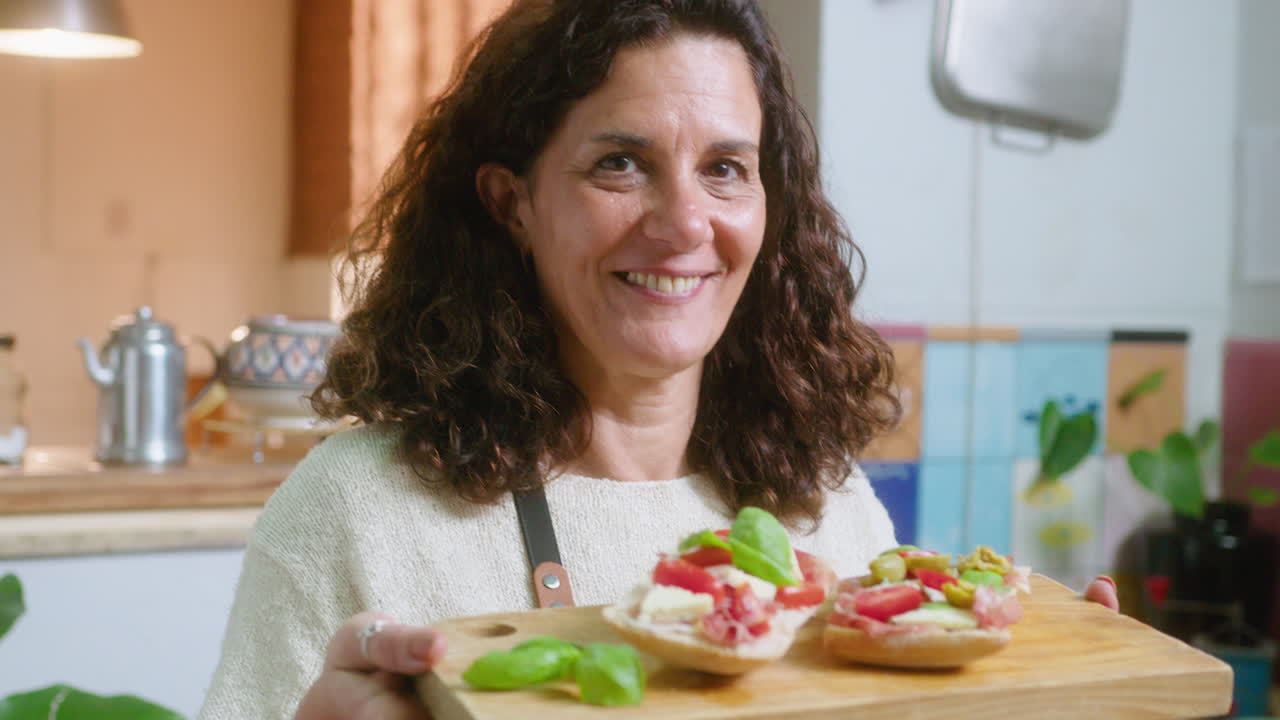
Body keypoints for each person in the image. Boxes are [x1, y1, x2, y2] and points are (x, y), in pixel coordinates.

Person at [197, 2, 1117, 718]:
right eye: (621, 164)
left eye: (726, 167)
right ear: (512, 204)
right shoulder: (355, 513)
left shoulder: (823, 501)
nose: (684, 224)